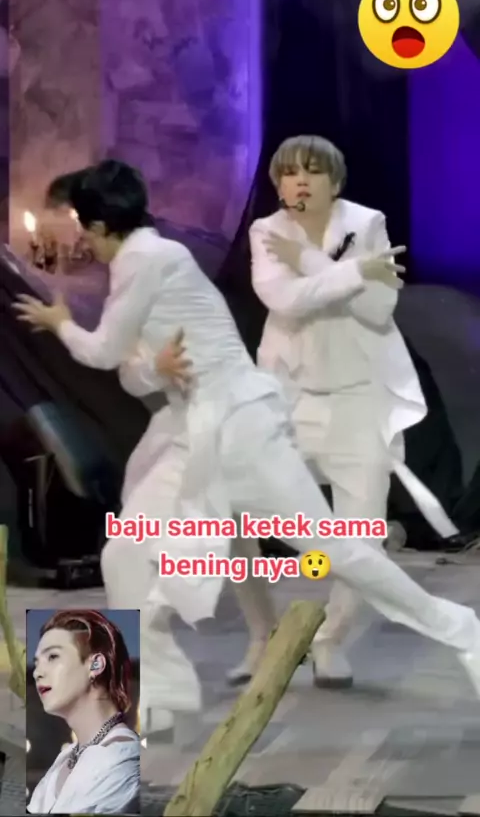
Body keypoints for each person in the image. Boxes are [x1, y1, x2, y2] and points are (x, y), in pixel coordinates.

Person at [14, 160, 480, 736]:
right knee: (125, 554)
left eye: (81, 226)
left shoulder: (151, 259)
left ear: (99, 225)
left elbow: (105, 352)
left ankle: (459, 627)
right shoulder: (140, 266)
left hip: (242, 428)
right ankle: (155, 692)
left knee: (335, 551)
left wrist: (61, 322)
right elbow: (133, 374)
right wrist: (155, 368)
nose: (80, 239)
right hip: (193, 433)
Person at [248, 134, 460, 687]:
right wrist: (350, 274)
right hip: (290, 397)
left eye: (312, 171)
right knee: (267, 513)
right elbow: (284, 299)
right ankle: (269, 632)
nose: (300, 181)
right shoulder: (267, 231)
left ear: (335, 182)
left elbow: (379, 308)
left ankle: (330, 639)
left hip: (357, 399)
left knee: (363, 537)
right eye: (289, 172)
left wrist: (310, 263)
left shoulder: (367, 224)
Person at [28, 609, 140, 814]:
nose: (37, 673)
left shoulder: (121, 758)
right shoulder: (66, 758)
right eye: (37, 663)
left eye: (52, 657)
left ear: (95, 664)